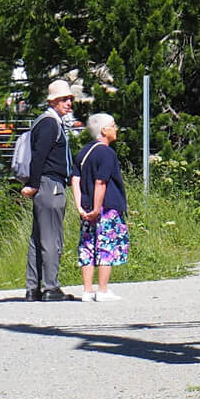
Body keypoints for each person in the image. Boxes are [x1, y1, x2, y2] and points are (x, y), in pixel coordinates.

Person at [21, 79, 76, 301]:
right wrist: (34, 184)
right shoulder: (50, 124)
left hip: (45, 185)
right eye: (64, 99)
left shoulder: (46, 122)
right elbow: (40, 156)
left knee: (38, 237)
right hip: (50, 185)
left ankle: (33, 288)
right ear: (53, 101)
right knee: (52, 237)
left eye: (70, 99)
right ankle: (51, 287)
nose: (69, 103)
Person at [73, 112, 129, 302]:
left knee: (88, 245)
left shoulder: (84, 152)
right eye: (114, 125)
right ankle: (103, 290)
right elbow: (101, 182)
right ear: (104, 130)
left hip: (86, 207)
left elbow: (75, 178)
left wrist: (80, 205)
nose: (116, 129)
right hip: (105, 207)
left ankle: (87, 290)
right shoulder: (106, 152)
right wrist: (97, 208)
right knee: (107, 244)